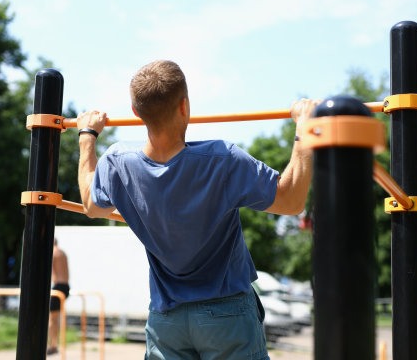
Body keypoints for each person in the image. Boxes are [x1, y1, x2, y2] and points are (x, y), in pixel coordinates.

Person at [77, 60, 317, 360]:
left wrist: (87, 136)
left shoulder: (117, 162)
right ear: (185, 107)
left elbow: (90, 204)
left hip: (167, 321)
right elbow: (291, 200)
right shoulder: (222, 159)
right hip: (226, 314)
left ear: (136, 112)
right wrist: (305, 128)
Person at [47, 238, 70, 355]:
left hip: (58, 287)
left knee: (51, 319)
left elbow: (48, 272)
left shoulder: (52, 253)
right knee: (55, 319)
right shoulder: (62, 253)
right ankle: (54, 344)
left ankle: (52, 345)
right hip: (65, 286)